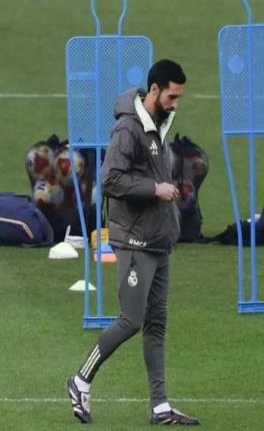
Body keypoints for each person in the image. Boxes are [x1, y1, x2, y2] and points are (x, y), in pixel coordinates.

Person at [66, 59, 200, 425]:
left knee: (156, 323)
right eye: (172, 96)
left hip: (158, 240)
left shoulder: (158, 123)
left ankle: (160, 407)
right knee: (131, 320)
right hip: (135, 241)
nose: (176, 104)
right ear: (154, 90)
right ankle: (80, 381)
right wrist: (155, 188)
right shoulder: (128, 129)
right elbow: (110, 179)